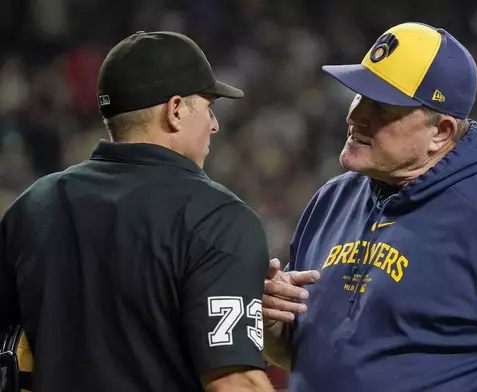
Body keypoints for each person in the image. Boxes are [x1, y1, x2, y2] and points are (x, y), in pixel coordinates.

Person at [262, 22, 477, 391]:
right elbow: (304, 355)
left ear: (440, 132)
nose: (355, 116)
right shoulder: (332, 201)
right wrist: (273, 325)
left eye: (382, 107)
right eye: (358, 95)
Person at [0, 31, 274, 392]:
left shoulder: (34, 204)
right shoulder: (219, 218)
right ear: (175, 110)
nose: (214, 124)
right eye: (208, 107)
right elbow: (236, 382)